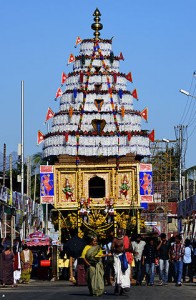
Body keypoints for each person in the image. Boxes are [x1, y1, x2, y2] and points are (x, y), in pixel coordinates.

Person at [111, 228, 131, 296]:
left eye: (121, 233)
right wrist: (117, 250)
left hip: (123, 256)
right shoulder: (115, 240)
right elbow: (112, 249)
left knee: (124, 272)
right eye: (118, 233)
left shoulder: (125, 239)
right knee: (117, 273)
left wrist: (125, 250)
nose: (120, 234)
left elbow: (130, 248)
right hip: (117, 257)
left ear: (123, 233)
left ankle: (123, 288)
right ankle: (117, 287)